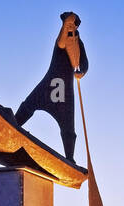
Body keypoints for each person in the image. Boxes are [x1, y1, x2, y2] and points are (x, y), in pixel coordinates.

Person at [14, 12, 88, 162]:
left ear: (77, 26)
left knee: (68, 125)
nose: (71, 26)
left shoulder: (79, 43)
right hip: (50, 82)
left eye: (73, 24)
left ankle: (70, 158)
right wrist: (65, 24)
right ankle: (14, 125)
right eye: (68, 24)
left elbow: (84, 61)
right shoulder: (62, 37)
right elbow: (61, 44)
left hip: (66, 89)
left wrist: (82, 71)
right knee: (30, 103)